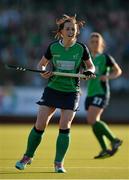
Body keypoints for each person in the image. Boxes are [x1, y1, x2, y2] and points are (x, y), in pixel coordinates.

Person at [15, 14, 95, 173]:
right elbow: (41, 64)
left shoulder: (81, 49)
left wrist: (88, 72)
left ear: (77, 32)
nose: (71, 31)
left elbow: (91, 67)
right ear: (61, 31)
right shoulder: (53, 47)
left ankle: (59, 163)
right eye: (68, 28)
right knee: (40, 124)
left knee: (65, 126)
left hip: (71, 91)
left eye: (74, 29)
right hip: (53, 89)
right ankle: (27, 156)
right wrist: (43, 72)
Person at [84, 32, 123, 159]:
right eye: (92, 41)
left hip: (101, 92)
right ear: (89, 44)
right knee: (93, 122)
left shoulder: (105, 57)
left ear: (101, 44)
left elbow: (118, 71)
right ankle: (104, 149)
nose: (95, 44)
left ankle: (114, 140)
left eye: (97, 41)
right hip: (90, 93)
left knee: (92, 119)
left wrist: (107, 76)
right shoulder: (88, 59)